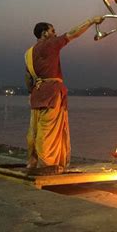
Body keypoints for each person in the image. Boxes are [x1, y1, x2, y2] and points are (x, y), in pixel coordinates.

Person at [24, 16, 104, 175]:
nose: (55, 33)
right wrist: (91, 21)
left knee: (34, 130)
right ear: (45, 33)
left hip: (37, 94)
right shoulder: (50, 45)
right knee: (48, 132)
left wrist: (32, 92)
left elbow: (28, 78)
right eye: (52, 30)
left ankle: (32, 163)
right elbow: (73, 34)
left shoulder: (28, 53)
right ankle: (47, 165)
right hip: (51, 94)